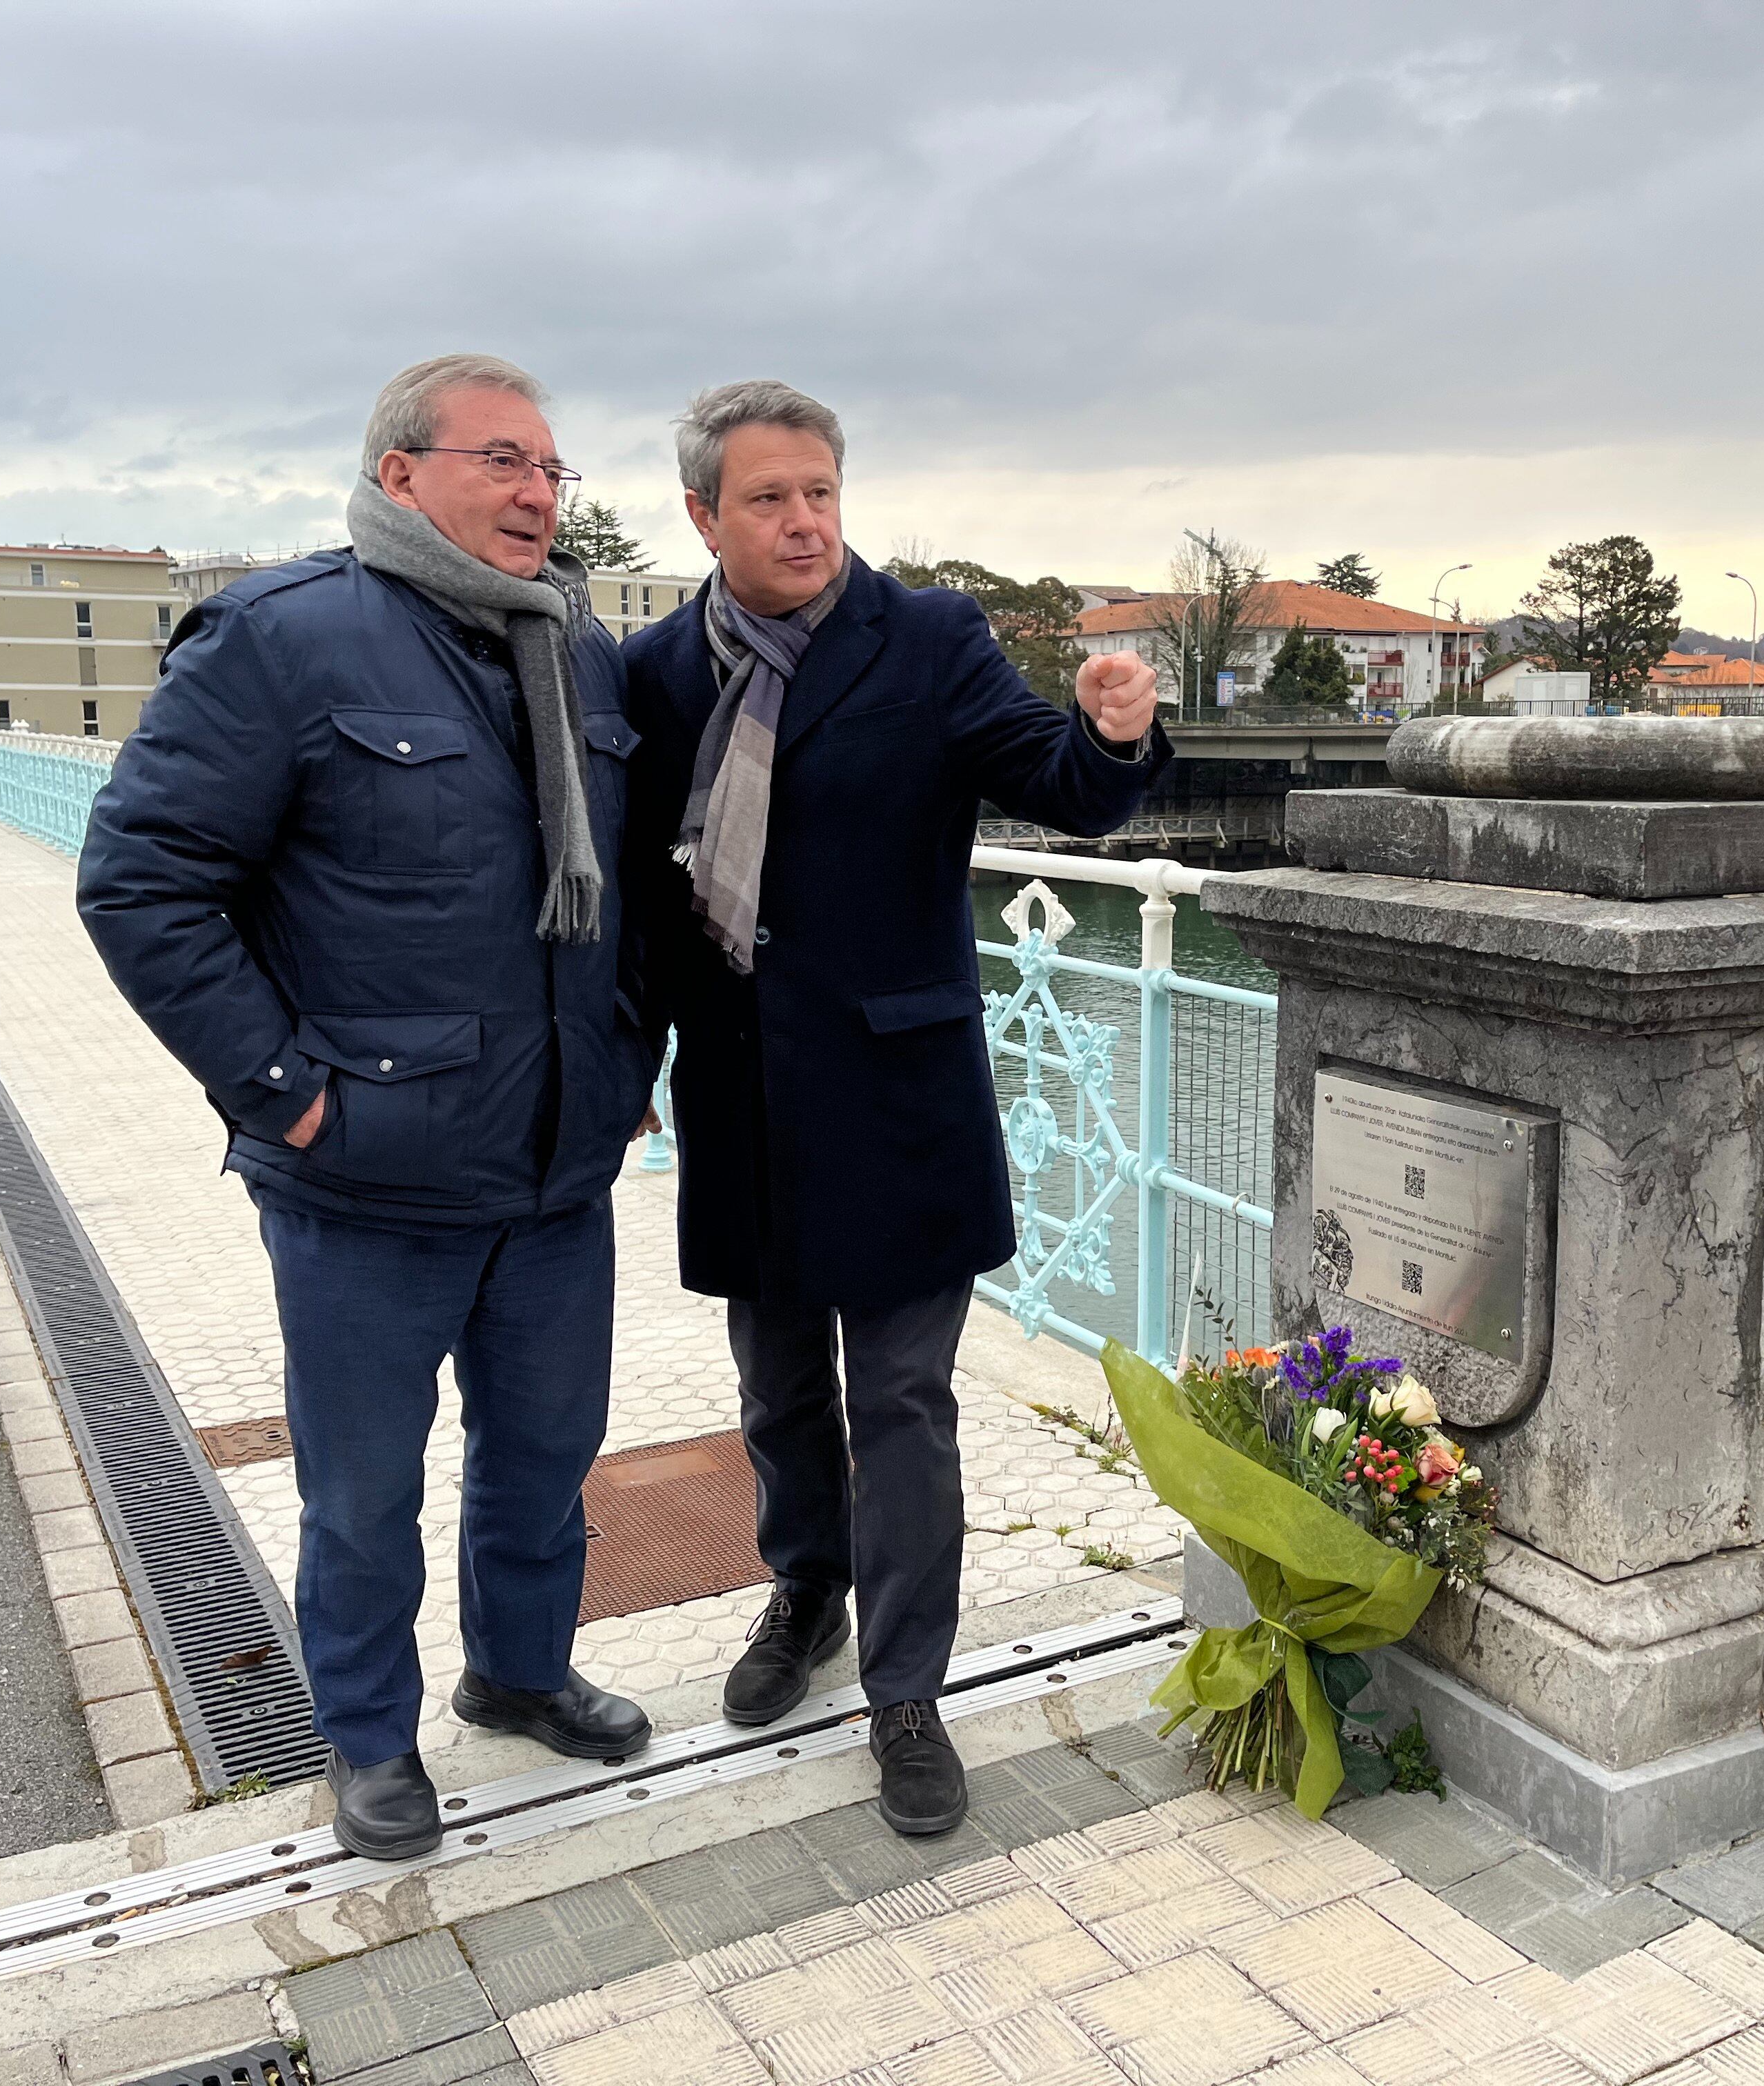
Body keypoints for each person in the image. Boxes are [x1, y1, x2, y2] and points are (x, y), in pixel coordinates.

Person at [77, 353, 657, 1862]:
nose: (538, 494)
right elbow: (143, 881)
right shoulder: (283, 640)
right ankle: (365, 1740)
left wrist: (629, 1062)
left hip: (554, 1173)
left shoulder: (577, 652)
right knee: (361, 1494)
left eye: (554, 469)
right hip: (369, 1180)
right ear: (399, 473)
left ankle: (521, 1675)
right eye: (502, 461)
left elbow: (627, 900)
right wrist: (287, 1094)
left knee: (544, 1459)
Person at [622, 379, 1166, 1837]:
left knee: (906, 1399)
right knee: (779, 1389)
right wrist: (624, 1069)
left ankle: (908, 1685)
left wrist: (1110, 738)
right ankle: (803, 1589)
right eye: (770, 499)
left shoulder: (927, 642)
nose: (804, 523)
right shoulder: (658, 672)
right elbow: (640, 900)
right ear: (703, 516)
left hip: (899, 1094)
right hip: (741, 1094)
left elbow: (1061, 786)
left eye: (822, 493)